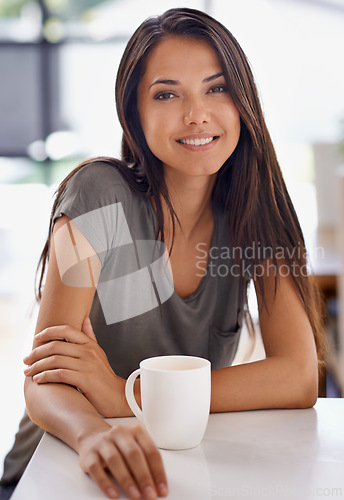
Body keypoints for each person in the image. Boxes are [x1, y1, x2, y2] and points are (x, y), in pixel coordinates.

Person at [0, 7, 326, 500]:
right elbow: (46, 377)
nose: (196, 114)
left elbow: (298, 377)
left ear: (243, 102)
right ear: (135, 114)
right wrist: (96, 433)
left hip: (182, 474)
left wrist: (128, 397)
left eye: (216, 88)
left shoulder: (255, 214)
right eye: (167, 94)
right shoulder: (98, 199)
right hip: (55, 474)